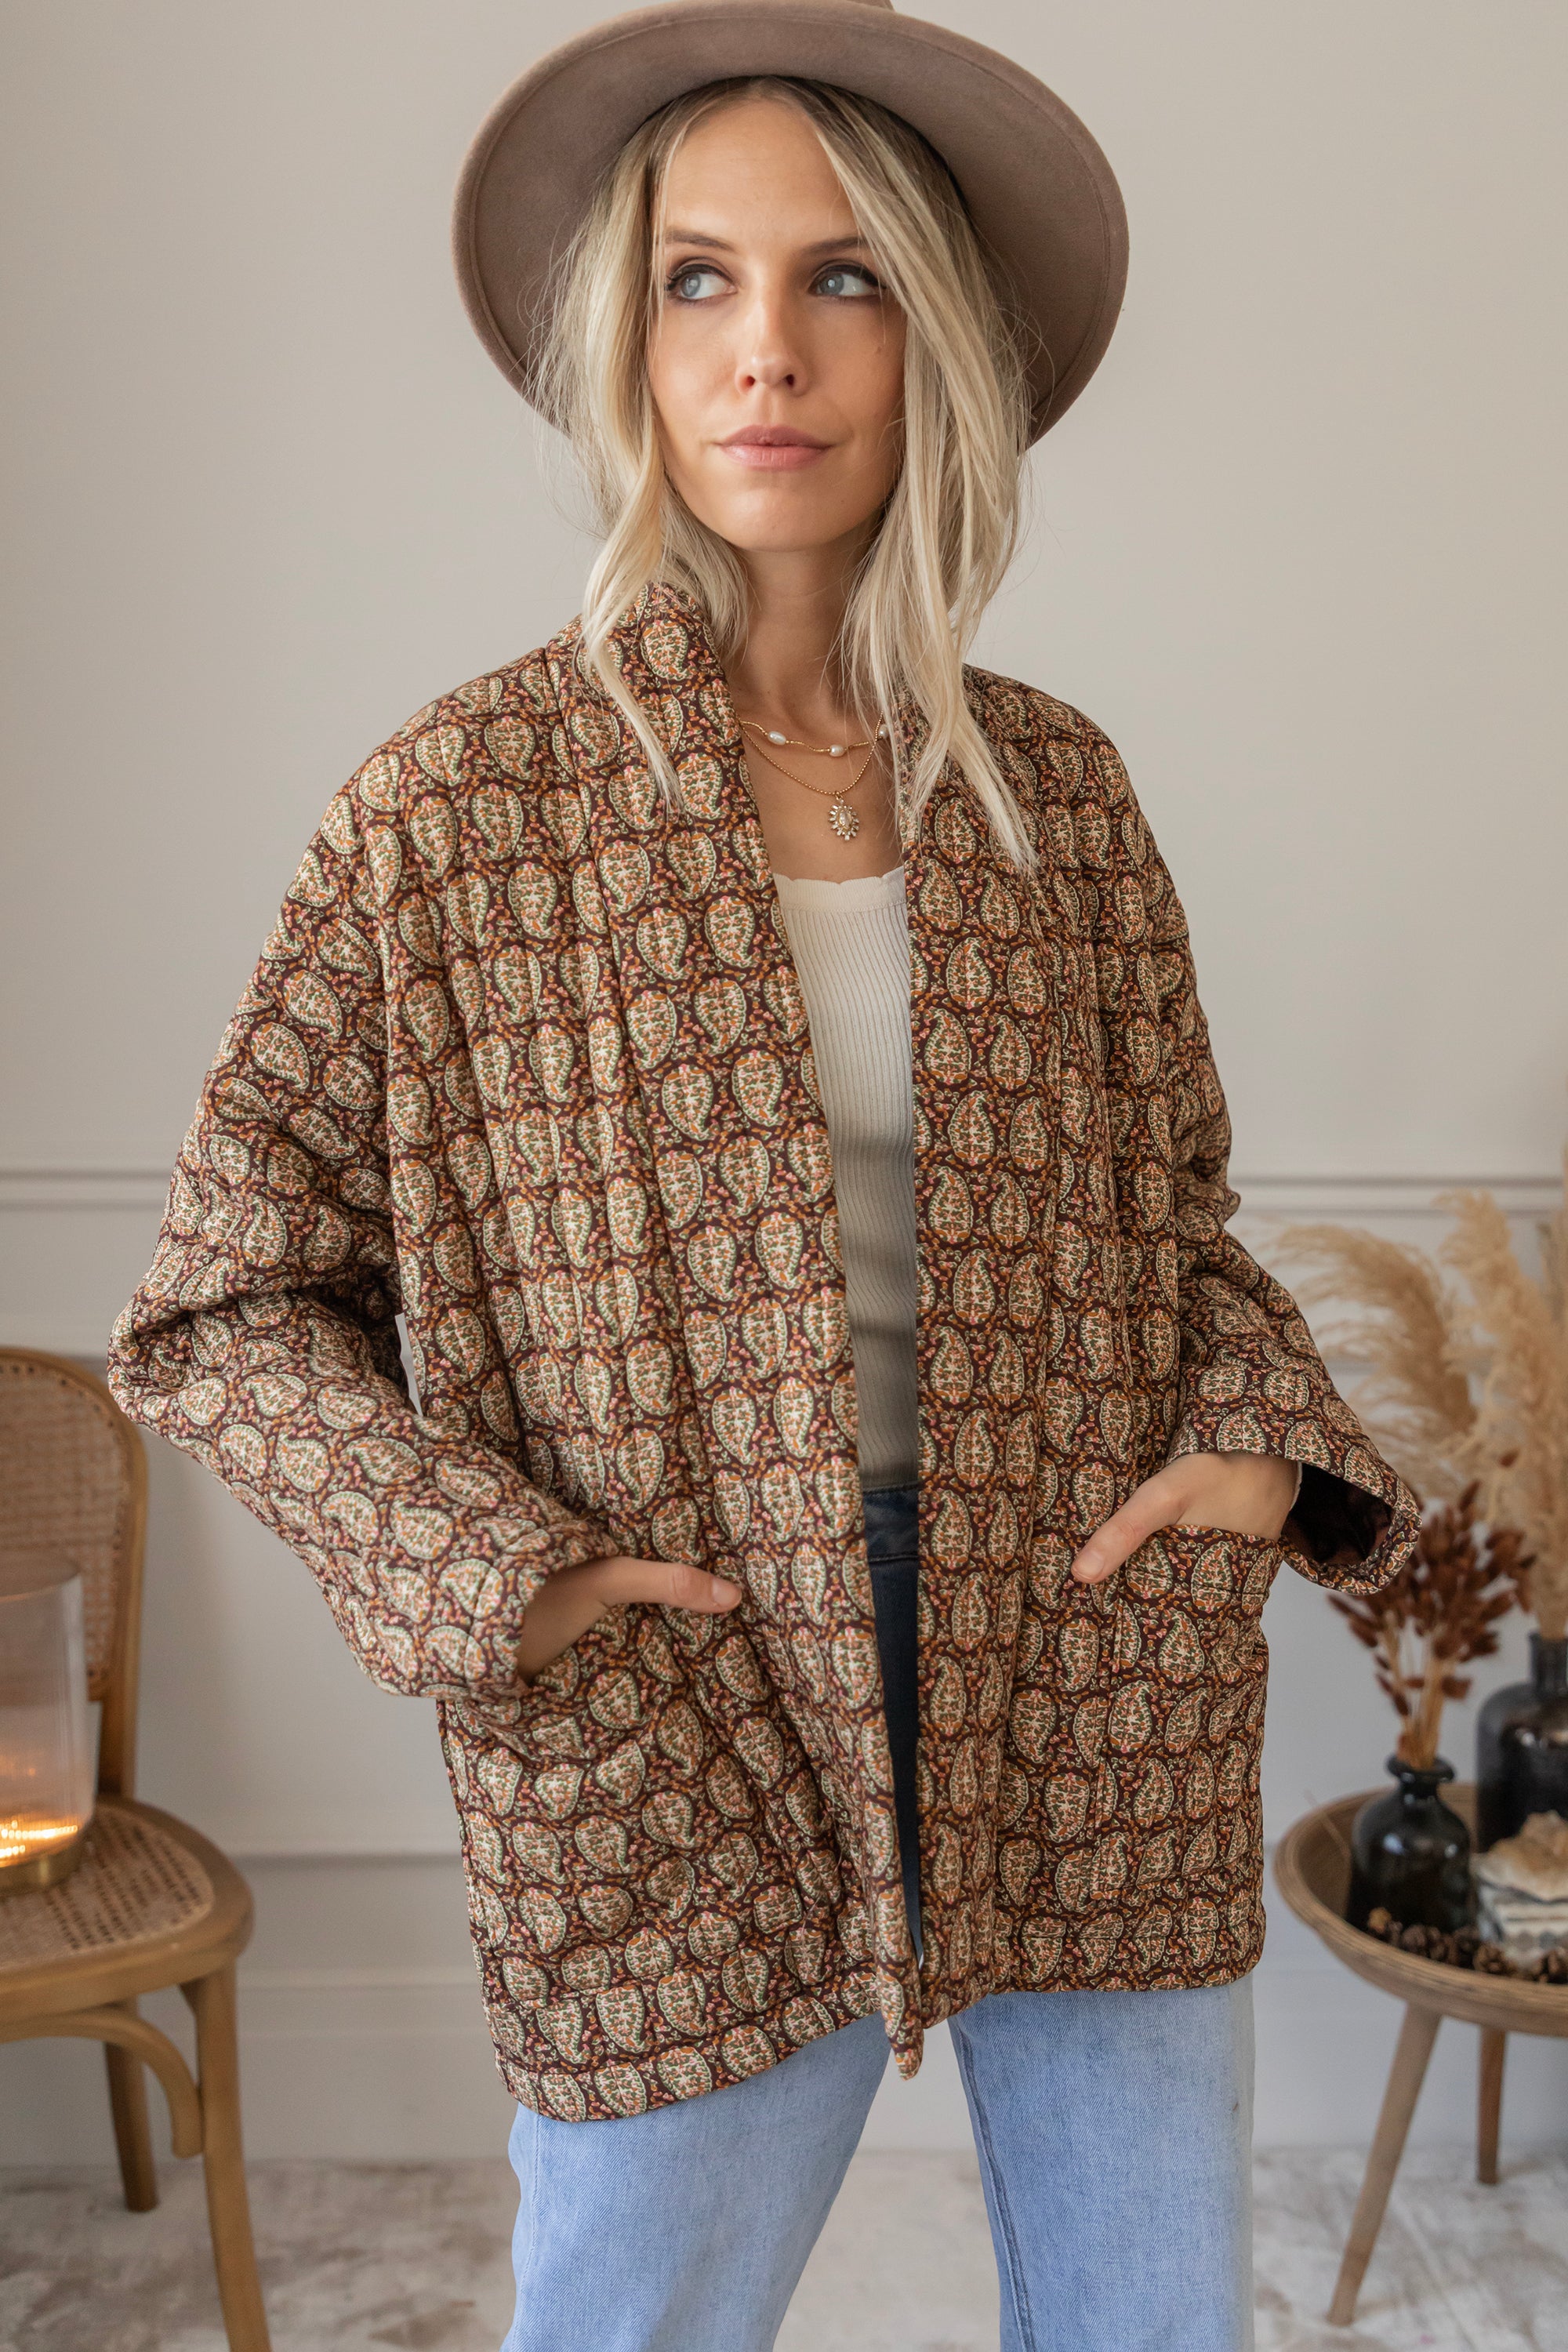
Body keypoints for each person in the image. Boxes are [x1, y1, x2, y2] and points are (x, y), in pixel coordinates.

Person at [107, 6, 1418, 2347]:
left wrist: (1250, 1456)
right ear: (627, 345)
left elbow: (1180, 1225)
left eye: (846, 279)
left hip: (1087, 1643)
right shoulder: (460, 807)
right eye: (697, 279)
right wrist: (500, 1578)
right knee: (637, 2315)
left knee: (1151, 2318)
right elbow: (218, 1299)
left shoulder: (1056, 791)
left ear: (940, 344)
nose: (767, 351)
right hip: (676, 1677)